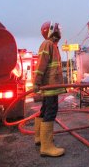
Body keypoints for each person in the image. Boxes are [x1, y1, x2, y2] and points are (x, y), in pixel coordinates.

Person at [32, 21, 66, 157]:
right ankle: (47, 147)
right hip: (51, 86)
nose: (59, 31)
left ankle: (40, 138)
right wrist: (36, 82)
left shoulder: (52, 45)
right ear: (52, 30)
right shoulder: (48, 44)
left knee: (45, 110)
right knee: (50, 112)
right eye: (58, 29)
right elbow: (41, 65)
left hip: (51, 86)